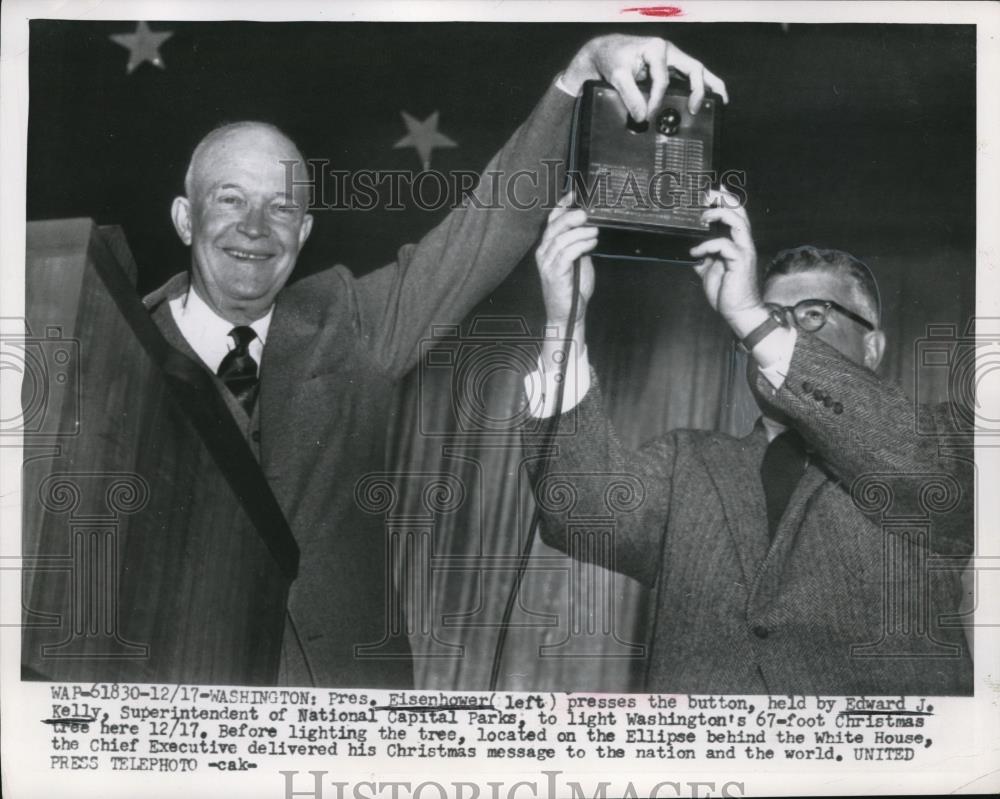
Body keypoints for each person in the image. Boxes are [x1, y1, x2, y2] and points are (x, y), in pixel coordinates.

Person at [140, 35, 727, 688]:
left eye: (281, 207)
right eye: (229, 198)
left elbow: (486, 226)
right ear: (184, 218)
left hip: (353, 720)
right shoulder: (122, 347)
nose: (256, 226)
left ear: (303, 233)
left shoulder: (348, 321)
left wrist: (579, 72)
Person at [525, 188, 973, 695]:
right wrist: (566, 322)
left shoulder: (942, 441)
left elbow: (914, 461)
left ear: (872, 347)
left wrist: (750, 313)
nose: (777, 329)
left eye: (811, 315)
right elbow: (579, 513)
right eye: (772, 314)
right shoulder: (687, 462)